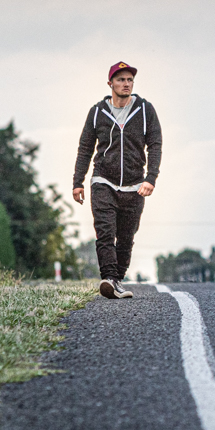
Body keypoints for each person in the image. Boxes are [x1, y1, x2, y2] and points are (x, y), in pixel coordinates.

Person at [72, 62, 163, 298]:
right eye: (121, 79)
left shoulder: (145, 110)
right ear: (110, 83)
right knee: (104, 232)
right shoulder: (97, 112)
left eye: (130, 80)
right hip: (103, 181)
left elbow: (155, 145)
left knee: (126, 238)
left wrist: (151, 178)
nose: (126, 84)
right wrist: (78, 181)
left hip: (135, 185)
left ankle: (117, 279)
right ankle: (109, 278)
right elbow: (85, 148)